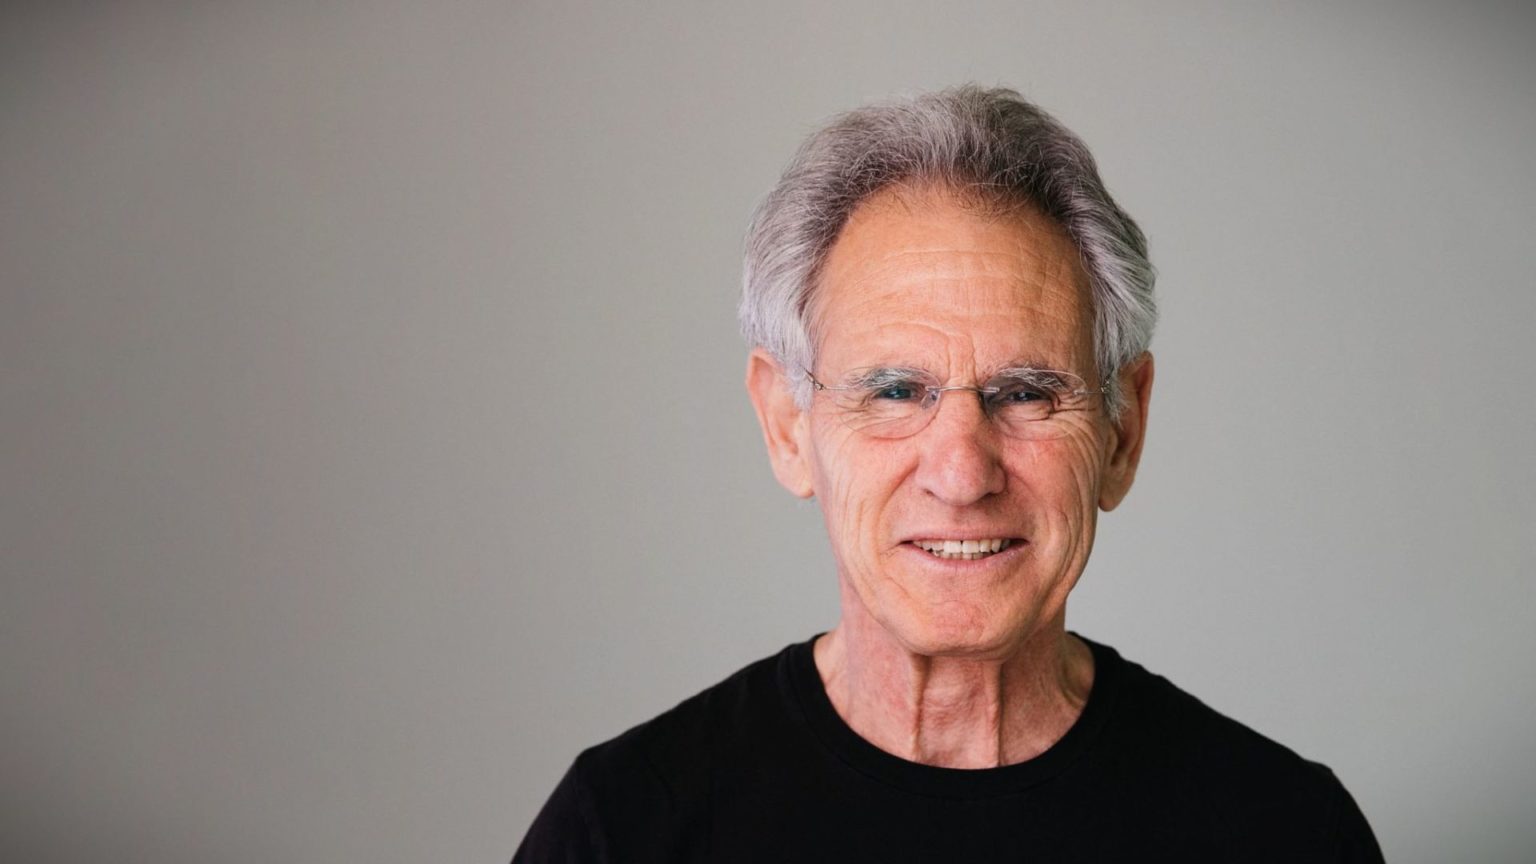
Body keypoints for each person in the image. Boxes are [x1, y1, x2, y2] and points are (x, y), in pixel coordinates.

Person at [513, 85, 1384, 863]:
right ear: (787, 425)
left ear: (1123, 429)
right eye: (895, 391)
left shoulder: (1286, 832)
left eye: (1027, 392)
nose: (963, 474)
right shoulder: (624, 828)